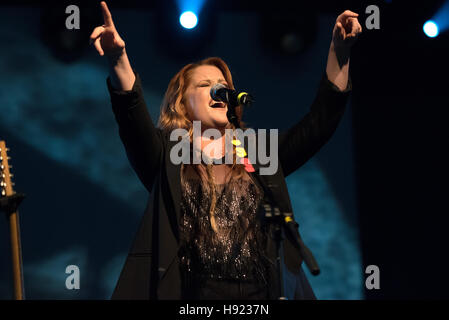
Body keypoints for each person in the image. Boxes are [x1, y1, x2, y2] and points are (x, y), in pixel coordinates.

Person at [89, 1, 362, 300]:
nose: (218, 90)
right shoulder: (167, 153)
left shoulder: (259, 151)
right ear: (181, 102)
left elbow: (319, 125)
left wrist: (339, 51)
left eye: (222, 84)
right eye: (205, 84)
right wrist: (118, 57)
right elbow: (131, 115)